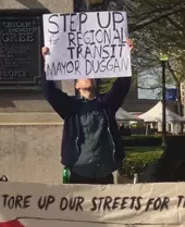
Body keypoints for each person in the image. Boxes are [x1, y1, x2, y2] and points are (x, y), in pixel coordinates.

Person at [40, 42, 133, 184]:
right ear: (77, 85)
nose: (88, 76)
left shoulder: (106, 104)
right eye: (83, 75)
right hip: (79, 170)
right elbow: (49, 92)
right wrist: (48, 62)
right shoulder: (71, 107)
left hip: (104, 171)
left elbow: (122, 85)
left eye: (91, 75)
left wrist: (126, 55)